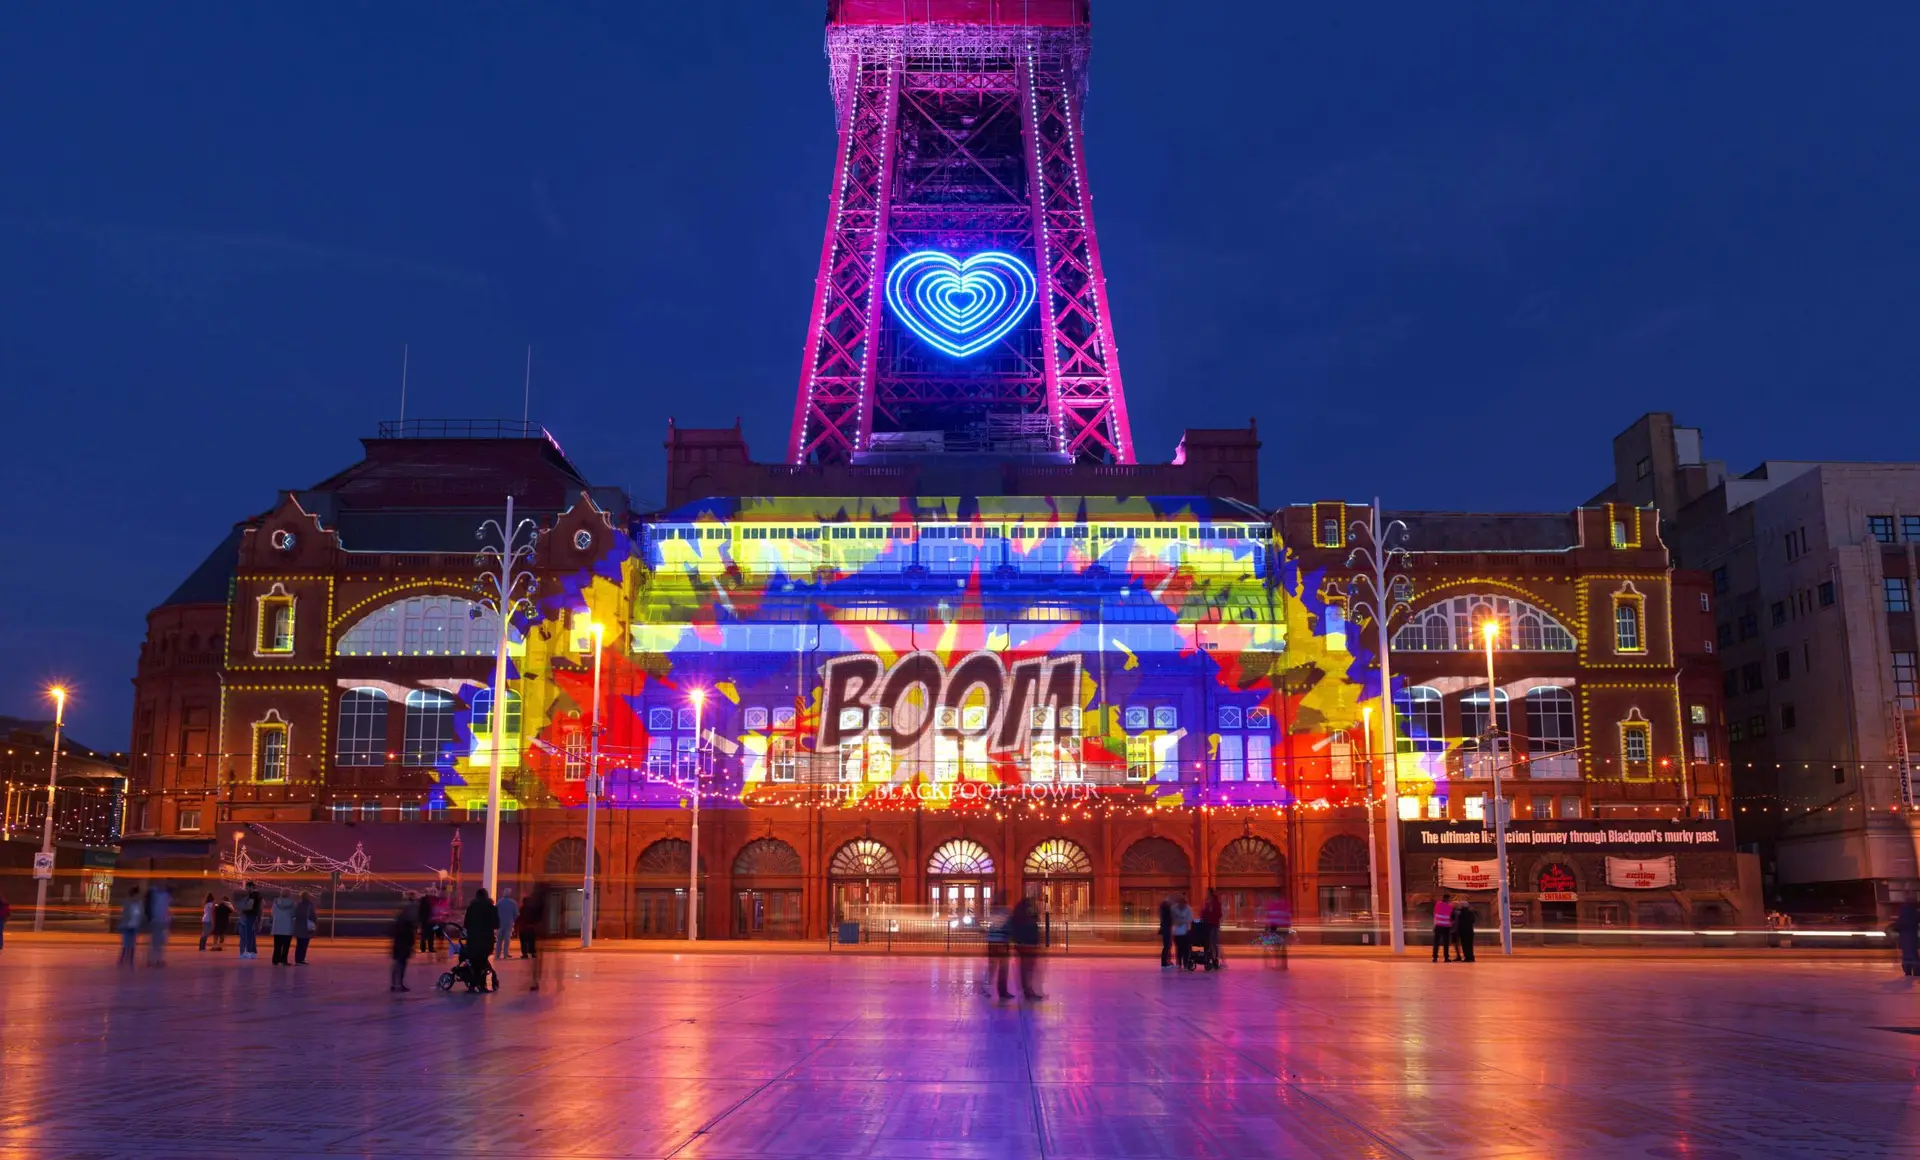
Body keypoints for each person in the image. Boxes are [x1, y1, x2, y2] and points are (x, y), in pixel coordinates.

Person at [1008, 896, 1045, 1000]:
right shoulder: (1030, 915)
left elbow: (1014, 928)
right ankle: (1028, 991)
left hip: (1022, 944)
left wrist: (1016, 940)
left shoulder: (1018, 915)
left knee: (1025, 969)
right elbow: (1034, 927)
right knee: (1028, 969)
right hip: (1029, 944)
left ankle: (1027, 990)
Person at [463, 888, 499, 992]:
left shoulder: (471, 908)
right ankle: (482, 985)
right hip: (486, 939)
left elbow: (466, 924)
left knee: (474, 962)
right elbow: (496, 924)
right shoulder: (492, 908)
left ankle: (472, 985)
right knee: (483, 962)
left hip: (473, 939)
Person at [984, 899, 1013, 999]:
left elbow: (990, 927)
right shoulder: (1005, 912)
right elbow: (1008, 927)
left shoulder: (993, 913)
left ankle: (986, 988)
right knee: (1003, 968)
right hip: (1001, 942)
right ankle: (1002, 991)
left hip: (992, 941)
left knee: (992, 967)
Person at [388, 900, 418, 992]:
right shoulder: (408, 921)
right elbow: (410, 934)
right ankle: (399, 983)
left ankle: (394, 984)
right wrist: (412, 945)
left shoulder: (398, 919)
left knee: (397, 964)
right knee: (401, 965)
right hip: (404, 945)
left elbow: (393, 932)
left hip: (398, 944)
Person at [145, 882, 171, 967]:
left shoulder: (159, 895)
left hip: (158, 921)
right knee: (157, 943)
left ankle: (154, 960)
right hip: (158, 921)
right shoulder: (161, 895)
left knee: (156, 943)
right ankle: (155, 960)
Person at [1263, 895, 1292, 970]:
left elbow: (1269, 918)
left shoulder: (1272, 906)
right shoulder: (1285, 905)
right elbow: (1288, 917)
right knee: (1283, 947)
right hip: (1284, 928)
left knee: (1276, 946)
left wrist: (1267, 929)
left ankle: (1278, 965)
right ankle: (1284, 965)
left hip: (1275, 928)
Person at [269, 889, 297, 966]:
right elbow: (294, 914)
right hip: (287, 927)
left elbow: (272, 913)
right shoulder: (292, 903)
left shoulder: (276, 902)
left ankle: (275, 960)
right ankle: (283, 960)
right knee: (286, 946)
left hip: (277, 927)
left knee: (277, 945)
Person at [118, 887, 144, 965]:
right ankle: (122, 960)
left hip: (135, 926)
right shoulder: (127, 902)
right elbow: (124, 915)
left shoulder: (139, 903)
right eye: (137, 895)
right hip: (127, 926)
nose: (138, 896)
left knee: (132, 945)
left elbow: (141, 914)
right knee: (126, 944)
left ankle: (130, 961)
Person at [1895, 898, 1920, 978]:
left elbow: (1897, 926)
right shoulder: (1915, 913)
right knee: (1914, 955)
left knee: (1906, 955)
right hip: (1913, 938)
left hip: (1904, 938)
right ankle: (1917, 973)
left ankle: (1907, 972)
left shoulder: (1902, 914)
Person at [1200, 889, 1224, 970]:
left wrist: (1210, 912)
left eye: (1207, 893)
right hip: (1208, 925)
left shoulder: (1215, 903)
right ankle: (1211, 959)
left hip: (1213, 925)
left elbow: (1219, 914)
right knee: (1210, 943)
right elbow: (1203, 913)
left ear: (1210, 894)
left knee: (1213, 943)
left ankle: (1214, 960)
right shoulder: (1207, 902)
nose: (1206, 894)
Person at [1170, 895, 1195, 971]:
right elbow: (1172, 918)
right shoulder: (1174, 908)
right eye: (1180, 902)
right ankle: (1179, 963)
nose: (1181, 904)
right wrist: (1179, 921)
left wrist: (1180, 921)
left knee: (1185, 949)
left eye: (1183, 902)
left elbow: (1190, 919)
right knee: (1178, 948)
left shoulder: (1188, 909)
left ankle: (1185, 964)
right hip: (1177, 932)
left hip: (1185, 931)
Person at [239, 881, 263, 959]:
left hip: (250, 916)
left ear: (251, 887)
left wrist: (242, 909)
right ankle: (252, 951)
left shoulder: (254, 895)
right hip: (253, 916)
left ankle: (249, 951)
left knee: (248, 934)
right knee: (251, 934)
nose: (246, 889)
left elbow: (249, 906)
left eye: (247, 888)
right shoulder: (257, 895)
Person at [293, 892, 318, 965]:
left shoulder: (298, 904)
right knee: (304, 944)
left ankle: (297, 959)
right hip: (306, 927)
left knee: (299, 944)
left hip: (299, 926)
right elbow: (313, 915)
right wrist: (314, 923)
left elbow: (295, 914)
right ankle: (301, 959)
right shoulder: (310, 905)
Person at [496, 889, 519, 960]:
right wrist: (513, 920)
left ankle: (497, 955)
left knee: (499, 939)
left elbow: (495, 911)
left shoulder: (499, 902)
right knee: (507, 939)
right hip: (509, 923)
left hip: (500, 923)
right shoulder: (513, 903)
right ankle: (505, 954)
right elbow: (516, 914)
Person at [1431, 896, 1455, 963]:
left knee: (1436, 943)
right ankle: (1446, 958)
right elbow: (1452, 918)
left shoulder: (1437, 905)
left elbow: (1434, 913)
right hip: (1446, 927)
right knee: (1446, 943)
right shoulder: (1450, 907)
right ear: (1448, 899)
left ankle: (1435, 957)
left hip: (1438, 926)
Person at [1157, 895, 1174, 970]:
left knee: (1167, 946)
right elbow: (1170, 918)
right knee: (1167, 945)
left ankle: (1166, 961)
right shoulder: (1166, 908)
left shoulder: (1163, 908)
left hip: (1166, 928)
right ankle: (1165, 962)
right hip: (1167, 929)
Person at [418, 890, 438, 955]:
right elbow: (423, 912)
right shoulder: (427, 901)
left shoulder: (424, 901)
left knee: (427, 935)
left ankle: (425, 948)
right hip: (428, 921)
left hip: (428, 921)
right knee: (428, 935)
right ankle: (428, 948)